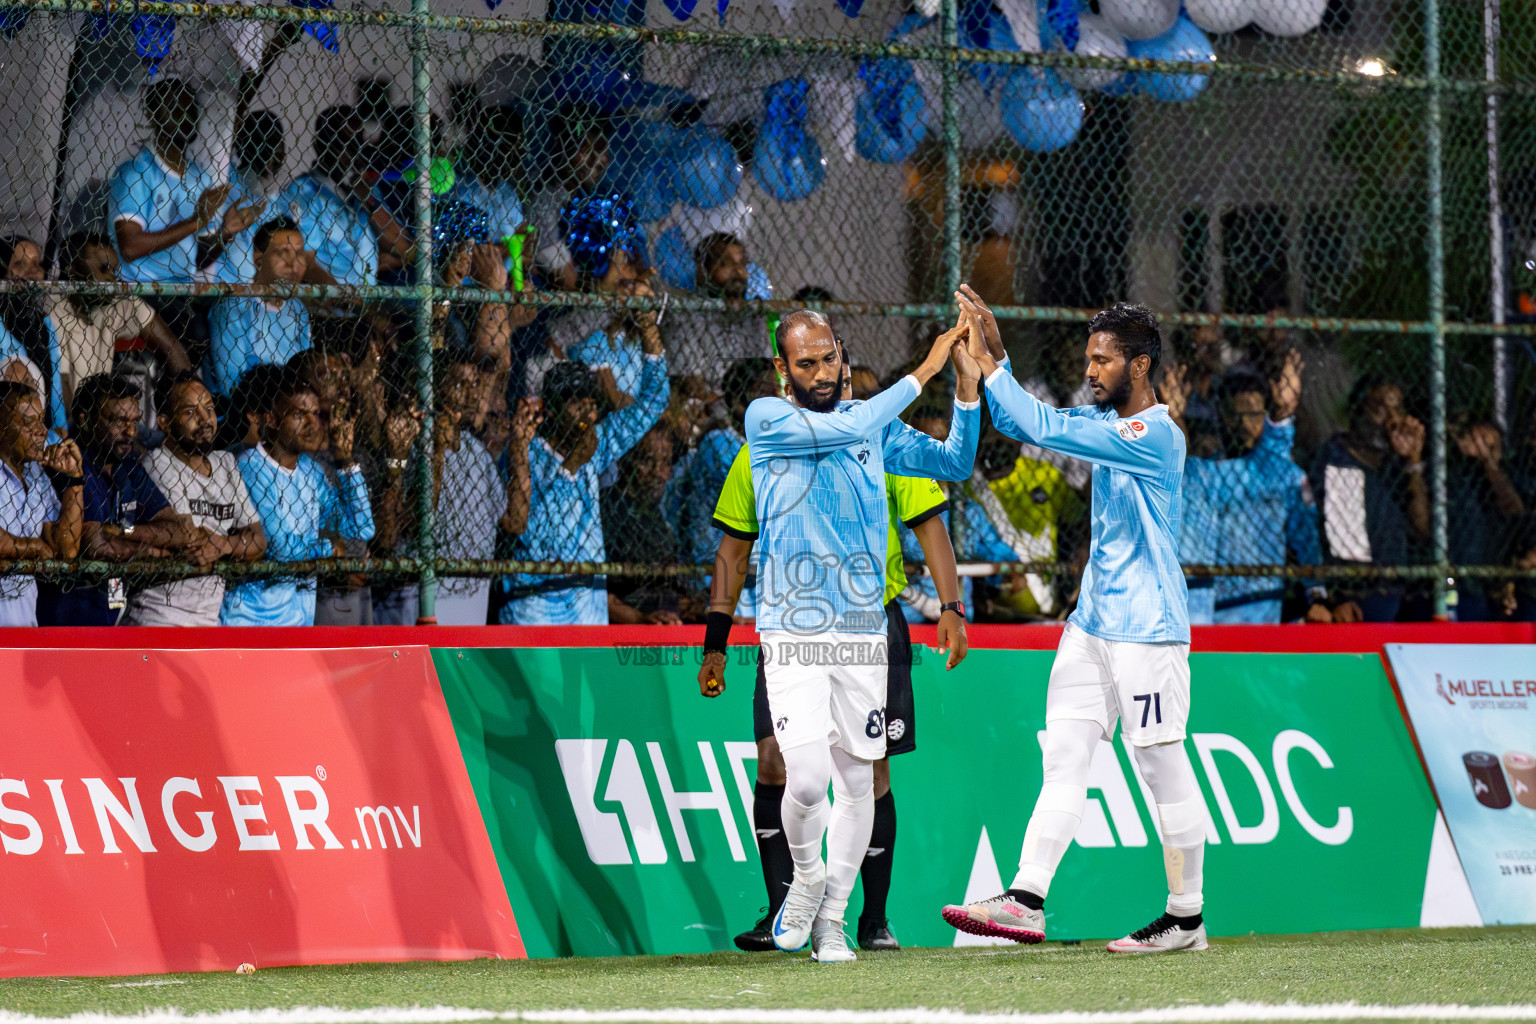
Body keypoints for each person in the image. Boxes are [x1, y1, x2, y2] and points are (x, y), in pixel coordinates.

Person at [696, 307, 979, 964]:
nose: (822, 373)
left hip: (863, 630)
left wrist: (964, 390)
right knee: (804, 777)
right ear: (781, 369)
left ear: (841, 352)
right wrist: (926, 369)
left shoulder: (873, 428)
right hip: (792, 633)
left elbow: (957, 462)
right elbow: (733, 550)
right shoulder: (766, 422)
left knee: (858, 785)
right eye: (806, 363)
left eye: (829, 358)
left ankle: (831, 919)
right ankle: (805, 881)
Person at [942, 286, 1208, 955]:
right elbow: (1036, 421)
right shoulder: (1120, 430)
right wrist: (997, 353)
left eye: (1103, 361)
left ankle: (1186, 915)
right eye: (1088, 359)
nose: (1090, 371)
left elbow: (1043, 427)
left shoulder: (1152, 435)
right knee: (1063, 756)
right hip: (1091, 621)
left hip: (1147, 625)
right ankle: (1027, 900)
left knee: (1159, 761)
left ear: (1139, 367)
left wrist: (994, 369)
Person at [498, 328, 669, 624]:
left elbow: (652, 403)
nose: (588, 415)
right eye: (577, 405)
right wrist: (572, 467)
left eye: (591, 405)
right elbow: (533, 537)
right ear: (550, 411)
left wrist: (650, 332)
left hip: (587, 612)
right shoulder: (527, 452)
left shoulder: (596, 444)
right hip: (536, 609)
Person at [1172, 357, 1329, 625]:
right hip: (1207, 608)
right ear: (1223, 417)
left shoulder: (1286, 474)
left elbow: (1307, 539)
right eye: (1237, 416)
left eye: (1255, 415)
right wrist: (1174, 418)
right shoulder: (1206, 473)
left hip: (1264, 604)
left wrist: (1316, 595)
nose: (1246, 425)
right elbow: (1176, 466)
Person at [108, 78, 264, 345]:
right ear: (152, 114)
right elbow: (130, 247)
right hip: (138, 291)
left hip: (181, 292)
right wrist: (194, 222)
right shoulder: (135, 173)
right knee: (196, 335)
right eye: (174, 107)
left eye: (190, 107)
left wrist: (226, 232)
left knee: (223, 321)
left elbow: (200, 259)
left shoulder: (199, 178)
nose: (185, 114)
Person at [221, 367, 375, 625]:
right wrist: (329, 548)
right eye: (299, 415)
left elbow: (361, 529)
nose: (312, 424)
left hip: (299, 623)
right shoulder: (249, 467)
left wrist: (344, 459)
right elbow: (278, 547)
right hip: (250, 624)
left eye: (315, 415)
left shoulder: (311, 472)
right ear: (271, 419)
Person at [40, 374, 197, 626]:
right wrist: (157, 550)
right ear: (86, 420)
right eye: (119, 421)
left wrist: (124, 531)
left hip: (112, 613)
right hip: (66, 617)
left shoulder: (129, 467)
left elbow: (178, 531)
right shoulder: (69, 465)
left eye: (135, 421)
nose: (131, 431)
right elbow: (97, 547)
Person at [123, 373, 267, 625]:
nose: (205, 419)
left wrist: (223, 545)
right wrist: (235, 545)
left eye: (209, 408)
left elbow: (259, 540)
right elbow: (190, 540)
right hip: (159, 616)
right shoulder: (158, 462)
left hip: (209, 619)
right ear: (165, 422)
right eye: (190, 412)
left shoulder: (226, 463)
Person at [1309, 375, 1430, 622]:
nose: (1391, 420)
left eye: (1397, 410)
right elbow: (1346, 547)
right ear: (1357, 412)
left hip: (1396, 593)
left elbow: (1421, 528)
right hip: (1360, 599)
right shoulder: (1340, 459)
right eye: (1379, 409)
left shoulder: (1393, 467)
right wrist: (1341, 598)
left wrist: (1413, 461)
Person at [48, 233, 191, 416]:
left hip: (107, 416)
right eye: (104, 268)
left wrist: (186, 408)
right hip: (75, 423)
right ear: (72, 269)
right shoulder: (53, 309)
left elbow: (171, 348)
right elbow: (62, 393)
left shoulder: (110, 301)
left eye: (114, 271)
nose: (112, 279)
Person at [278, 106, 411, 289]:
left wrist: (370, 203)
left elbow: (405, 249)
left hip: (368, 303)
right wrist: (352, 306)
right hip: (331, 309)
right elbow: (305, 264)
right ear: (320, 146)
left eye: (359, 143)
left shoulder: (366, 192)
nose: (354, 152)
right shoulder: (303, 192)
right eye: (344, 143)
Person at [0, 382, 83, 625]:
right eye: (28, 423)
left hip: (23, 631)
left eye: (42, 420)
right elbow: (42, 548)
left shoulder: (37, 475)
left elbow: (65, 550)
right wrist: (33, 547)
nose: (42, 431)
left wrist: (74, 481)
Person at [208, 217, 312, 396]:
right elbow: (231, 385)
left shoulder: (298, 309)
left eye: (299, 254)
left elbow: (307, 371)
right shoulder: (233, 306)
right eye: (283, 252)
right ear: (258, 259)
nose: (293, 264)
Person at [601, 427, 687, 625]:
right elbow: (591, 591)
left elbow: (668, 594)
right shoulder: (609, 510)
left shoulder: (655, 514)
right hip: (626, 632)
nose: (657, 473)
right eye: (647, 461)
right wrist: (638, 618)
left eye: (665, 463)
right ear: (625, 462)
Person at [0, 236, 66, 431]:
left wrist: (59, 431)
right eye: (20, 264)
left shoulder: (43, 323)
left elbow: (55, 390)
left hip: (39, 429)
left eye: (37, 264)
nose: (31, 272)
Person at [218, 110, 289, 286]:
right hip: (229, 284)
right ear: (245, 144)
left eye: (277, 143)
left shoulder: (275, 200)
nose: (274, 152)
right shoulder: (226, 184)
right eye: (265, 143)